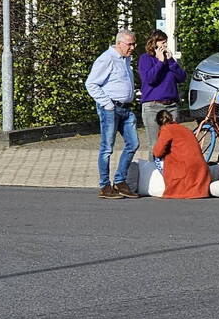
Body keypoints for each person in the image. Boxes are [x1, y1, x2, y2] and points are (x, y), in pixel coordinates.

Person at [85, 29, 140, 199]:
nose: (133, 47)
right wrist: (107, 104)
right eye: (130, 44)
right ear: (119, 44)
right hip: (111, 108)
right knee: (107, 147)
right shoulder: (106, 59)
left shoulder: (125, 59)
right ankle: (104, 185)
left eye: (134, 44)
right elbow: (91, 84)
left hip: (125, 108)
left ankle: (120, 181)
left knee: (133, 143)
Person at [138, 30, 186, 159]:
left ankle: (171, 173)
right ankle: (154, 172)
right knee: (155, 144)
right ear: (153, 43)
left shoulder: (170, 61)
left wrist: (171, 62)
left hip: (171, 105)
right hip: (153, 106)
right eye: (162, 42)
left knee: (173, 143)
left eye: (166, 42)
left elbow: (181, 77)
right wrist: (160, 62)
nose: (164, 45)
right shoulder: (145, 59)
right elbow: (149, 79)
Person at [151, 110, 211, 199]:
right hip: (201, 171)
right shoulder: (185, 129)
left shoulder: (166, 129)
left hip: (185, 172)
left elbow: (158, 152)